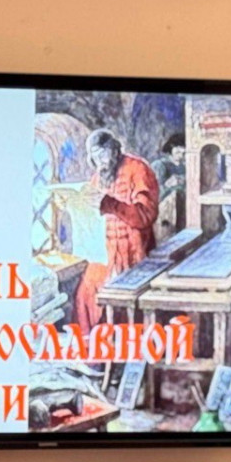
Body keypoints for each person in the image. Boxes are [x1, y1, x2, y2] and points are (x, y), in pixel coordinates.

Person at [74, 129, 159, 329]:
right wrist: (73, 204)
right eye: (95, 158)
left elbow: (145, 216)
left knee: (124, 305)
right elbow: (91, 218)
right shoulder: (98, 178)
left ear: (114, 150)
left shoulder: (137, 169)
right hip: (106, 252)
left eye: (103, 154)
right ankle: (90, 345)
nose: (101, 162)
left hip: (135, 252)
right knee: (84, 295)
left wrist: (111, 204)